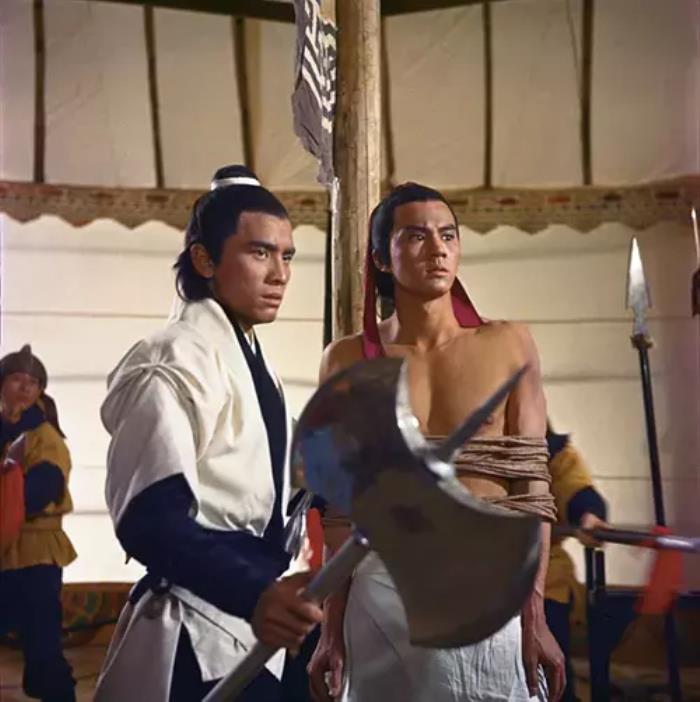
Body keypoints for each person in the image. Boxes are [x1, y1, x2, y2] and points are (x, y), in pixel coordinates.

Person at [308, 182, 566, 702]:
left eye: (448, 235)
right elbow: (340, 509)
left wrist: (534, 614)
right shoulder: (345, 360)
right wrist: (330, 629)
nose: (438, 249)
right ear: (381, 258)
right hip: (383, 589)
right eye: (416, 236)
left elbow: (531, 489)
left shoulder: (509, 344)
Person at [94, 165, 323, 702]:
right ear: (204, 260)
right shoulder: (172, 358)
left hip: (249, 621)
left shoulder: (250, 362)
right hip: (199, 626)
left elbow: (280, 476)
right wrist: (253, 592)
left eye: (287, 256)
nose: (280, 274)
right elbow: (150, 518)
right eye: (259, 253)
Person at [0, 344, 77, 702]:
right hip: (4, 546)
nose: (25, 387)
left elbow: (41, 489)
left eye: (33, 382)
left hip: (36, 549)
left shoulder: (45, 437)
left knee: (42, 636)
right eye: (17, 379)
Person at [545, 424, 608, 702]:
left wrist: (589, 514)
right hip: (466, 580)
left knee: (551, 681)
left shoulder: (553, 453)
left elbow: (576, 489)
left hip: (542, 579)